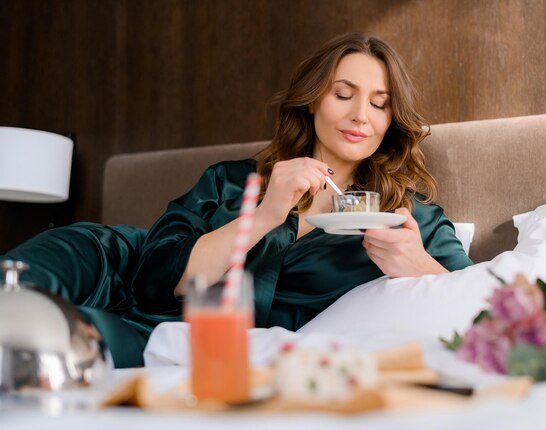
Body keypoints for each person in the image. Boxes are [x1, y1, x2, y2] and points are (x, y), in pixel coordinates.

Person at [131, 32, 473, 332]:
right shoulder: (230, 181)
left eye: (379, 103)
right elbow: (151, 281)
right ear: (312, 100)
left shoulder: (407, 216)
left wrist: (420, 266)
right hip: (169, 335)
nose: (361, 115)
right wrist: (265, 216)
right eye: (342, 95)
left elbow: (486, 311)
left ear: (391, 118)